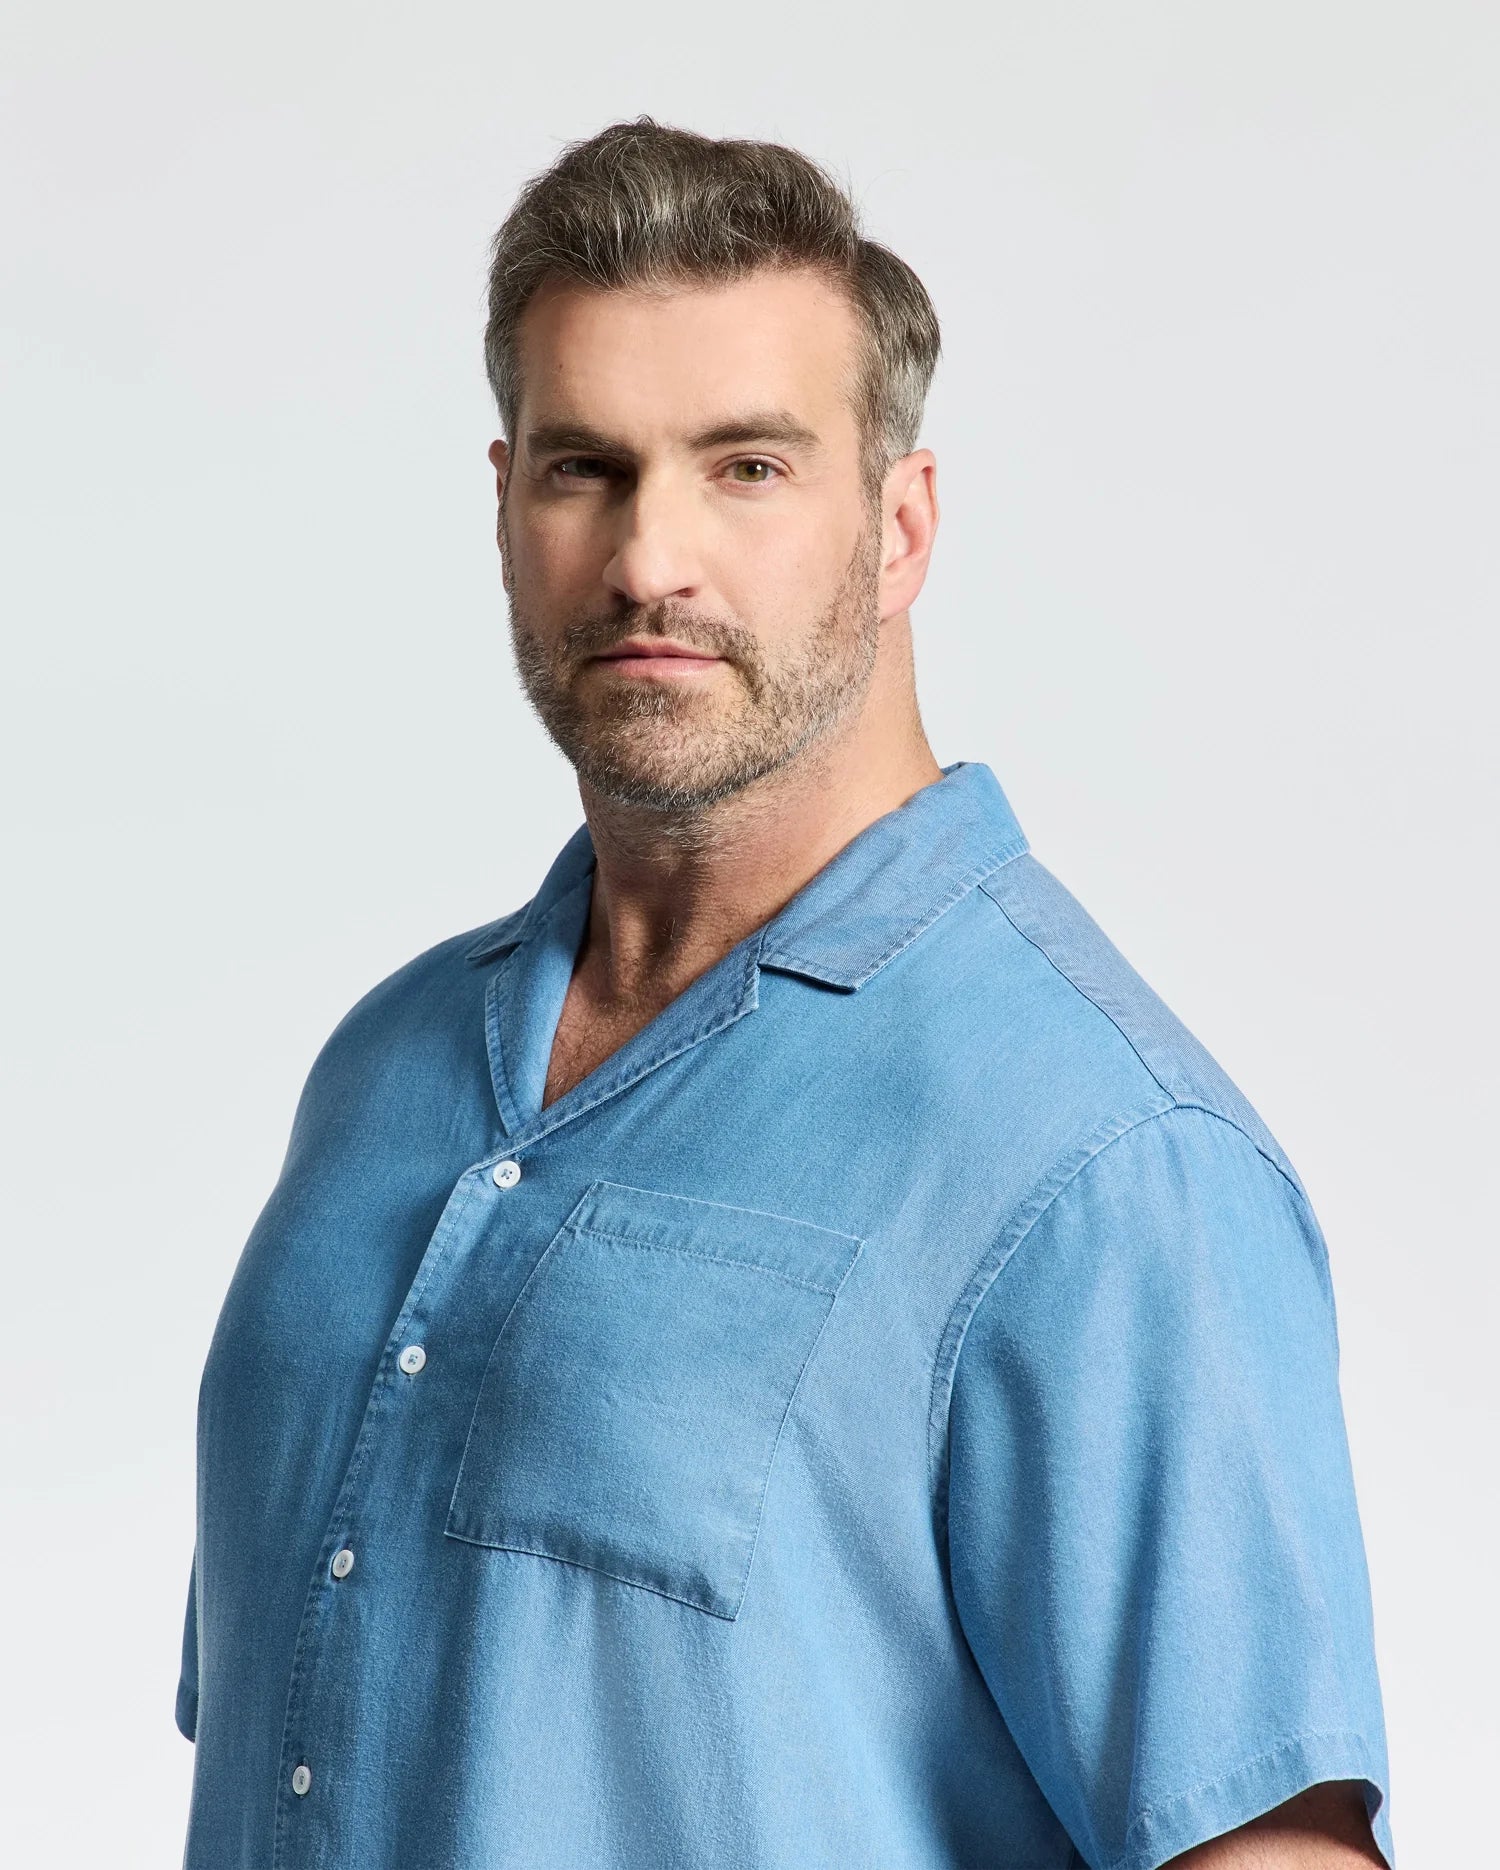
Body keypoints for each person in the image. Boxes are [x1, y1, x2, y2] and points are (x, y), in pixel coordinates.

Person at [174, 117, 1395, 1870]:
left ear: (899, 526)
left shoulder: (1106, 1160)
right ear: (506, 506)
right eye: (586, 469)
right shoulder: (387, 1072)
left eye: (747, 466)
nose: (648, 559)